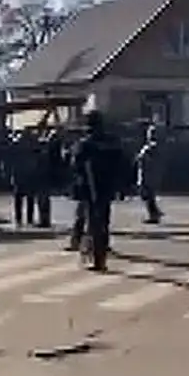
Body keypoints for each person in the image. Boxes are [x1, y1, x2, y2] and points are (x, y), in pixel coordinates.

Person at [69, 110, 128, 271]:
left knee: (94, 223)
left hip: (91, 187)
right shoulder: (113, 142)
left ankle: (98, 259)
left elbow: (75, 165)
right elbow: (123, 163)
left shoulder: (85, 144)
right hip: (107, 186)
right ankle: (101, 254)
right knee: (103, 221)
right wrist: (122, 185)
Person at [134, 126, 166, 223]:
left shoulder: (151, 147)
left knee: (148, 195)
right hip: (148, 173)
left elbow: (146, 159)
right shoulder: (153, 146)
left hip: (148, 174)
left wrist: (140, 158)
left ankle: (154, 214)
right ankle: (155, 213)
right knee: (148, 196)